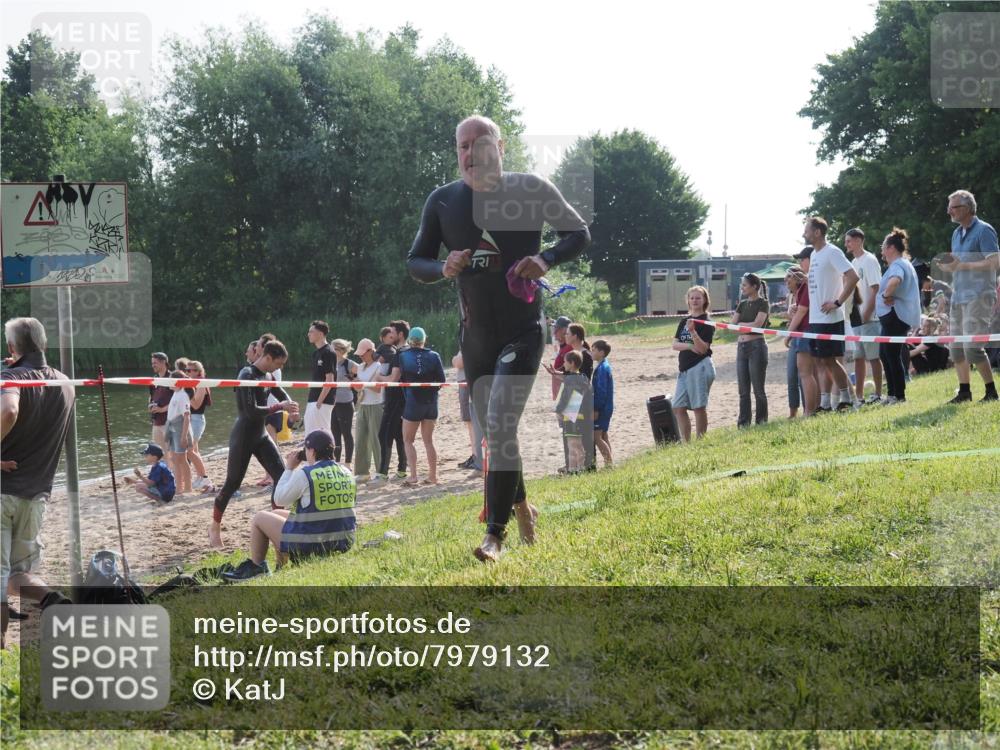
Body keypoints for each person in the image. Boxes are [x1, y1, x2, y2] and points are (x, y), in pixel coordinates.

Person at [407, 114, 590, 562]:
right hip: (475, 338)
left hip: (523, 330)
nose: (469, 154)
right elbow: (417, 261)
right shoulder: (444, 202)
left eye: (478, 143)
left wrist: (546, 258)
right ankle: (524, 506)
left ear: (500, 146)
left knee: (501, 422)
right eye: (461, 147)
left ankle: (495, 534)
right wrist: (443, 267)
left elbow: (578, 233)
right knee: (495, 433)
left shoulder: (530, 189)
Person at [1, 318, 75, 647]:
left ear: (11, 348)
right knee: (17, 574)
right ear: (43, 344)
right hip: (36, 493)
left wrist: (9, 376)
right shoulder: (64, 382)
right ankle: (51, 600)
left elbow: (9, 412)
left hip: (3, 491)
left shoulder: (10, 378)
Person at [223, 430, 356, 581]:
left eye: (305, 450)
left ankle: (257, 567)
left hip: (314, 545)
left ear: (311, 451)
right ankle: (281, 567)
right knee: (276, 515)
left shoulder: (307, 474)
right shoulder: (346, 472)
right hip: (343, 540)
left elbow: (279, 500)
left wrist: (289, 469)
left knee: (260, 518)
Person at [209, 340, 300, 548]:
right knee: (232, 483)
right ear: (268, 357)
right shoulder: (246, 375)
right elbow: (251, 411)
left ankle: (277, 522)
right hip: (243, 435)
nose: (280, 368)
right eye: (279, 363)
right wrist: (279, 407)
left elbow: (281, 393)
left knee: (281, 477)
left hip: (261, 436)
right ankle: (214, 527)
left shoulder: (268, 376)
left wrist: (291, 406)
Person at [937, 189, 999, 403]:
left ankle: (991, 392)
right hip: (959, 295)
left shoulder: (984, 230)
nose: (949, 211)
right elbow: (958, 266)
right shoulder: (956, 233)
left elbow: (994, 263)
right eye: (949, 207)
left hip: (980, 295)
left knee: (972, 348)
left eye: (953, 207)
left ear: (967, 208)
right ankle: (964, 392)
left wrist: (962, 265)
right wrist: (950, 266)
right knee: (955, 349)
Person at [802, 216, 861, 412]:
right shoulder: (815, 255)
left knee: (830, 360)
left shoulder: (832, 252)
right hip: (816, 318)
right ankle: (825, 403)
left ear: (817, 232)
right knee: (819, 361)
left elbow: (853, 277)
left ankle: (848, 399)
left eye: (807, 230)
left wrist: (837, 302)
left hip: (830, 318)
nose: (804, 234)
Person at [876, 228, 922, 404]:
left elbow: (895, 280)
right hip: (895, 318)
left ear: (891, 248)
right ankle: (893, 394)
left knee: (891, 355)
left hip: (896, 317)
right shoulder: (904, 263)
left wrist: (887, 295)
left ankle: (898, 395)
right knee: (885, 354)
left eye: (883, 247)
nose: (881, 250)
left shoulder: (897, 265)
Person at [398, 327, 446, 486]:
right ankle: (433, 476)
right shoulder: (434, 355)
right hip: (431, 402)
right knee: (428, 441)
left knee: (408, 440)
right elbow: (441, 380)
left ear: (410, 340)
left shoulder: (403, 355)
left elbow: (401, 378)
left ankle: (413, 476)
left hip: (413, 401)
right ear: (424, 340)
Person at [845, 228, 884, 404]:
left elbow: (876, 287)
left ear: (859, 240)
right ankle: (859, 396)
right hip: (856, 317)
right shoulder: (853, 262)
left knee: (874, 357)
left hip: (870, 318)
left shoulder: (869, 260)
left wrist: (868, 312)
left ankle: (877, 393)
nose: (846, 244)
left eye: (849, 241)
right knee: (858, 357)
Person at [671, 286, 715, 441]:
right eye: (692, 298)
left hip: (700, 366)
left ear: (704, 300)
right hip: (684, 369)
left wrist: (693, 332)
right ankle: (686, 441)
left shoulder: (707, 322)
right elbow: (675, 345)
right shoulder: (684, 321)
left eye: (698, 298)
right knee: (678, 407)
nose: (695, 300)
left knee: (698, 406)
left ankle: (700, 441)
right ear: (688, 300)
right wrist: (689, 346)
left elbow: (703, 349)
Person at [731, 272, 769, 426]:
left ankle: (761, 421)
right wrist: (744, 326)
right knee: (743, 390)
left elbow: (758, 325)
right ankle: (743, 422)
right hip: (741, 347)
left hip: (756, 347)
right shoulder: (742, 304)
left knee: (758, 389)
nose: (742, 288)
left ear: (754, 286)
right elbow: (733, 326)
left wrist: (741, 326)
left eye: (745, 285)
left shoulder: (763, 303)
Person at [374, 321, 410, 480]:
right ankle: (402, 471)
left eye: (392, 332)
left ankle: (382, 474)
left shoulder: (399, 353)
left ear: (400, 334)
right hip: (405, 399)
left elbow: (393, 379)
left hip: (394, 400)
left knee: (384, 435)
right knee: (398, 435)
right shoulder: (408, 350)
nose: (390, 334)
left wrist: (378, 377)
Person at [554, 351, 592, 473]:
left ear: (572, 363)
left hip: (571, 414)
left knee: (574, 446)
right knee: (576, 444)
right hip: (580, 413)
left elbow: (566, 397)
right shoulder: (583, 378)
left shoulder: (570, 379)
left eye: (565, 362)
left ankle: (578, 470)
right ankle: (573, 469)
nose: (563, 364)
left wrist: (558, 410)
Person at [353, 338, 384, 483]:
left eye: (363, 353)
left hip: (376, 404)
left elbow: (378, 388)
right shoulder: (360, 367)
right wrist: (355, 385)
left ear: (371, 351)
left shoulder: (379, 366)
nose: (360, 356)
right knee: (360, 439)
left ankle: (380, 472)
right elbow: (360, 387)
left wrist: (363, 384)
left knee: (376, 439)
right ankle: (362, 472)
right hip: (363, 404)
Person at [453, 351, 484, 474]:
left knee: (471, 422)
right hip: (471, 381)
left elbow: (459, 362)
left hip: (468, 381)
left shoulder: (470, 337)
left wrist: (455, 359)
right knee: (472, 423)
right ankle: (476, 456)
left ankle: (477, 457)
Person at [304, 321, 336, 435]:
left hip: (322, 401)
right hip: (313, 399)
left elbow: (330, 380)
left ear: (321, 334)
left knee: (323, 433)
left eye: (311, 331)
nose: (308, 334)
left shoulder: (328, 352)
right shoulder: (316, 353)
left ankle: (328, 453)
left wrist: (319, 402)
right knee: (310, 432)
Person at [783, 265, 807, 418]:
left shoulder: (805, 292)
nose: (786, 280)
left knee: (802, 377)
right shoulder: (790, 297)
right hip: (795, 336)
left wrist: (788, 334)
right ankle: (793, 412)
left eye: (789, 277)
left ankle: (807, 409)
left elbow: (802, 315)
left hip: (803, 336)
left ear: (797, 278)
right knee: (791, 375)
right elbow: (792, 318)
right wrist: (789, 315)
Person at [185, 360, 213, 491]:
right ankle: (200, 478)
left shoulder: (201, 384)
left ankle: (204, 477)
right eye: (186, 370)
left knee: (189, 451)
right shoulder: (192, 383)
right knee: (194, 451)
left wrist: (186, 392)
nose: (188, 373)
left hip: (196, 419)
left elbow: (196, 405)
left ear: (199, 372)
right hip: (190, 419)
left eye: (191, 370)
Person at [330, 339, 358, 465]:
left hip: (345, 402)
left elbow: (359, 381)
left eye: (333, 349)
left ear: (341, 350)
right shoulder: (330, 363)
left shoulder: (350, 364)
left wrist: (352, 379)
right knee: (335, 434)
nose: (330, 351)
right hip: (331, 404)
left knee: (346, 433)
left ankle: (347, 463)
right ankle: (336, 462)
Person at [164, 370, 193, 495]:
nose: (169, 382)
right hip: (172, 426)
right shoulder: (175, 394)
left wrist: (184, 436)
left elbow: (186, 417)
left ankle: (188, 486)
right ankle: (179, 487)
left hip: (180, 427)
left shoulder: (183, 395)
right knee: (175, 458)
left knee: (182, 459)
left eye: (171, 380)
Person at [591, 339, 614, 467]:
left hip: (603, 408)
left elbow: (601, 391)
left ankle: (609, 463)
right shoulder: (603, 366)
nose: (591, 352)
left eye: (593, 350)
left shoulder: (602, 369)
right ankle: (610, 463)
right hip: (607, 406)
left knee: (596, 437)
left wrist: (595, 408)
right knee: (604, 435)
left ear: (601, 352)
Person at [148, 352, 171, 451]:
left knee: (172, 453)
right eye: (152, 363)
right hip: (156, 421)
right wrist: (150, 405)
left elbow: (178, 401)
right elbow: (151, 396)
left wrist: (162, 409)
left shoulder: (172, 378)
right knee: (159, 453)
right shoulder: (154, 379)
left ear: (163, 362)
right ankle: (165, 467)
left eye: (155, 363)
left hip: (170, 422)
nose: (153, 365)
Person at [550, 316, 573, 399]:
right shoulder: (564, 346)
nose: (555, 332)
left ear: (564, 330)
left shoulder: (570, 348)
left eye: (557, 329)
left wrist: (555, 372)